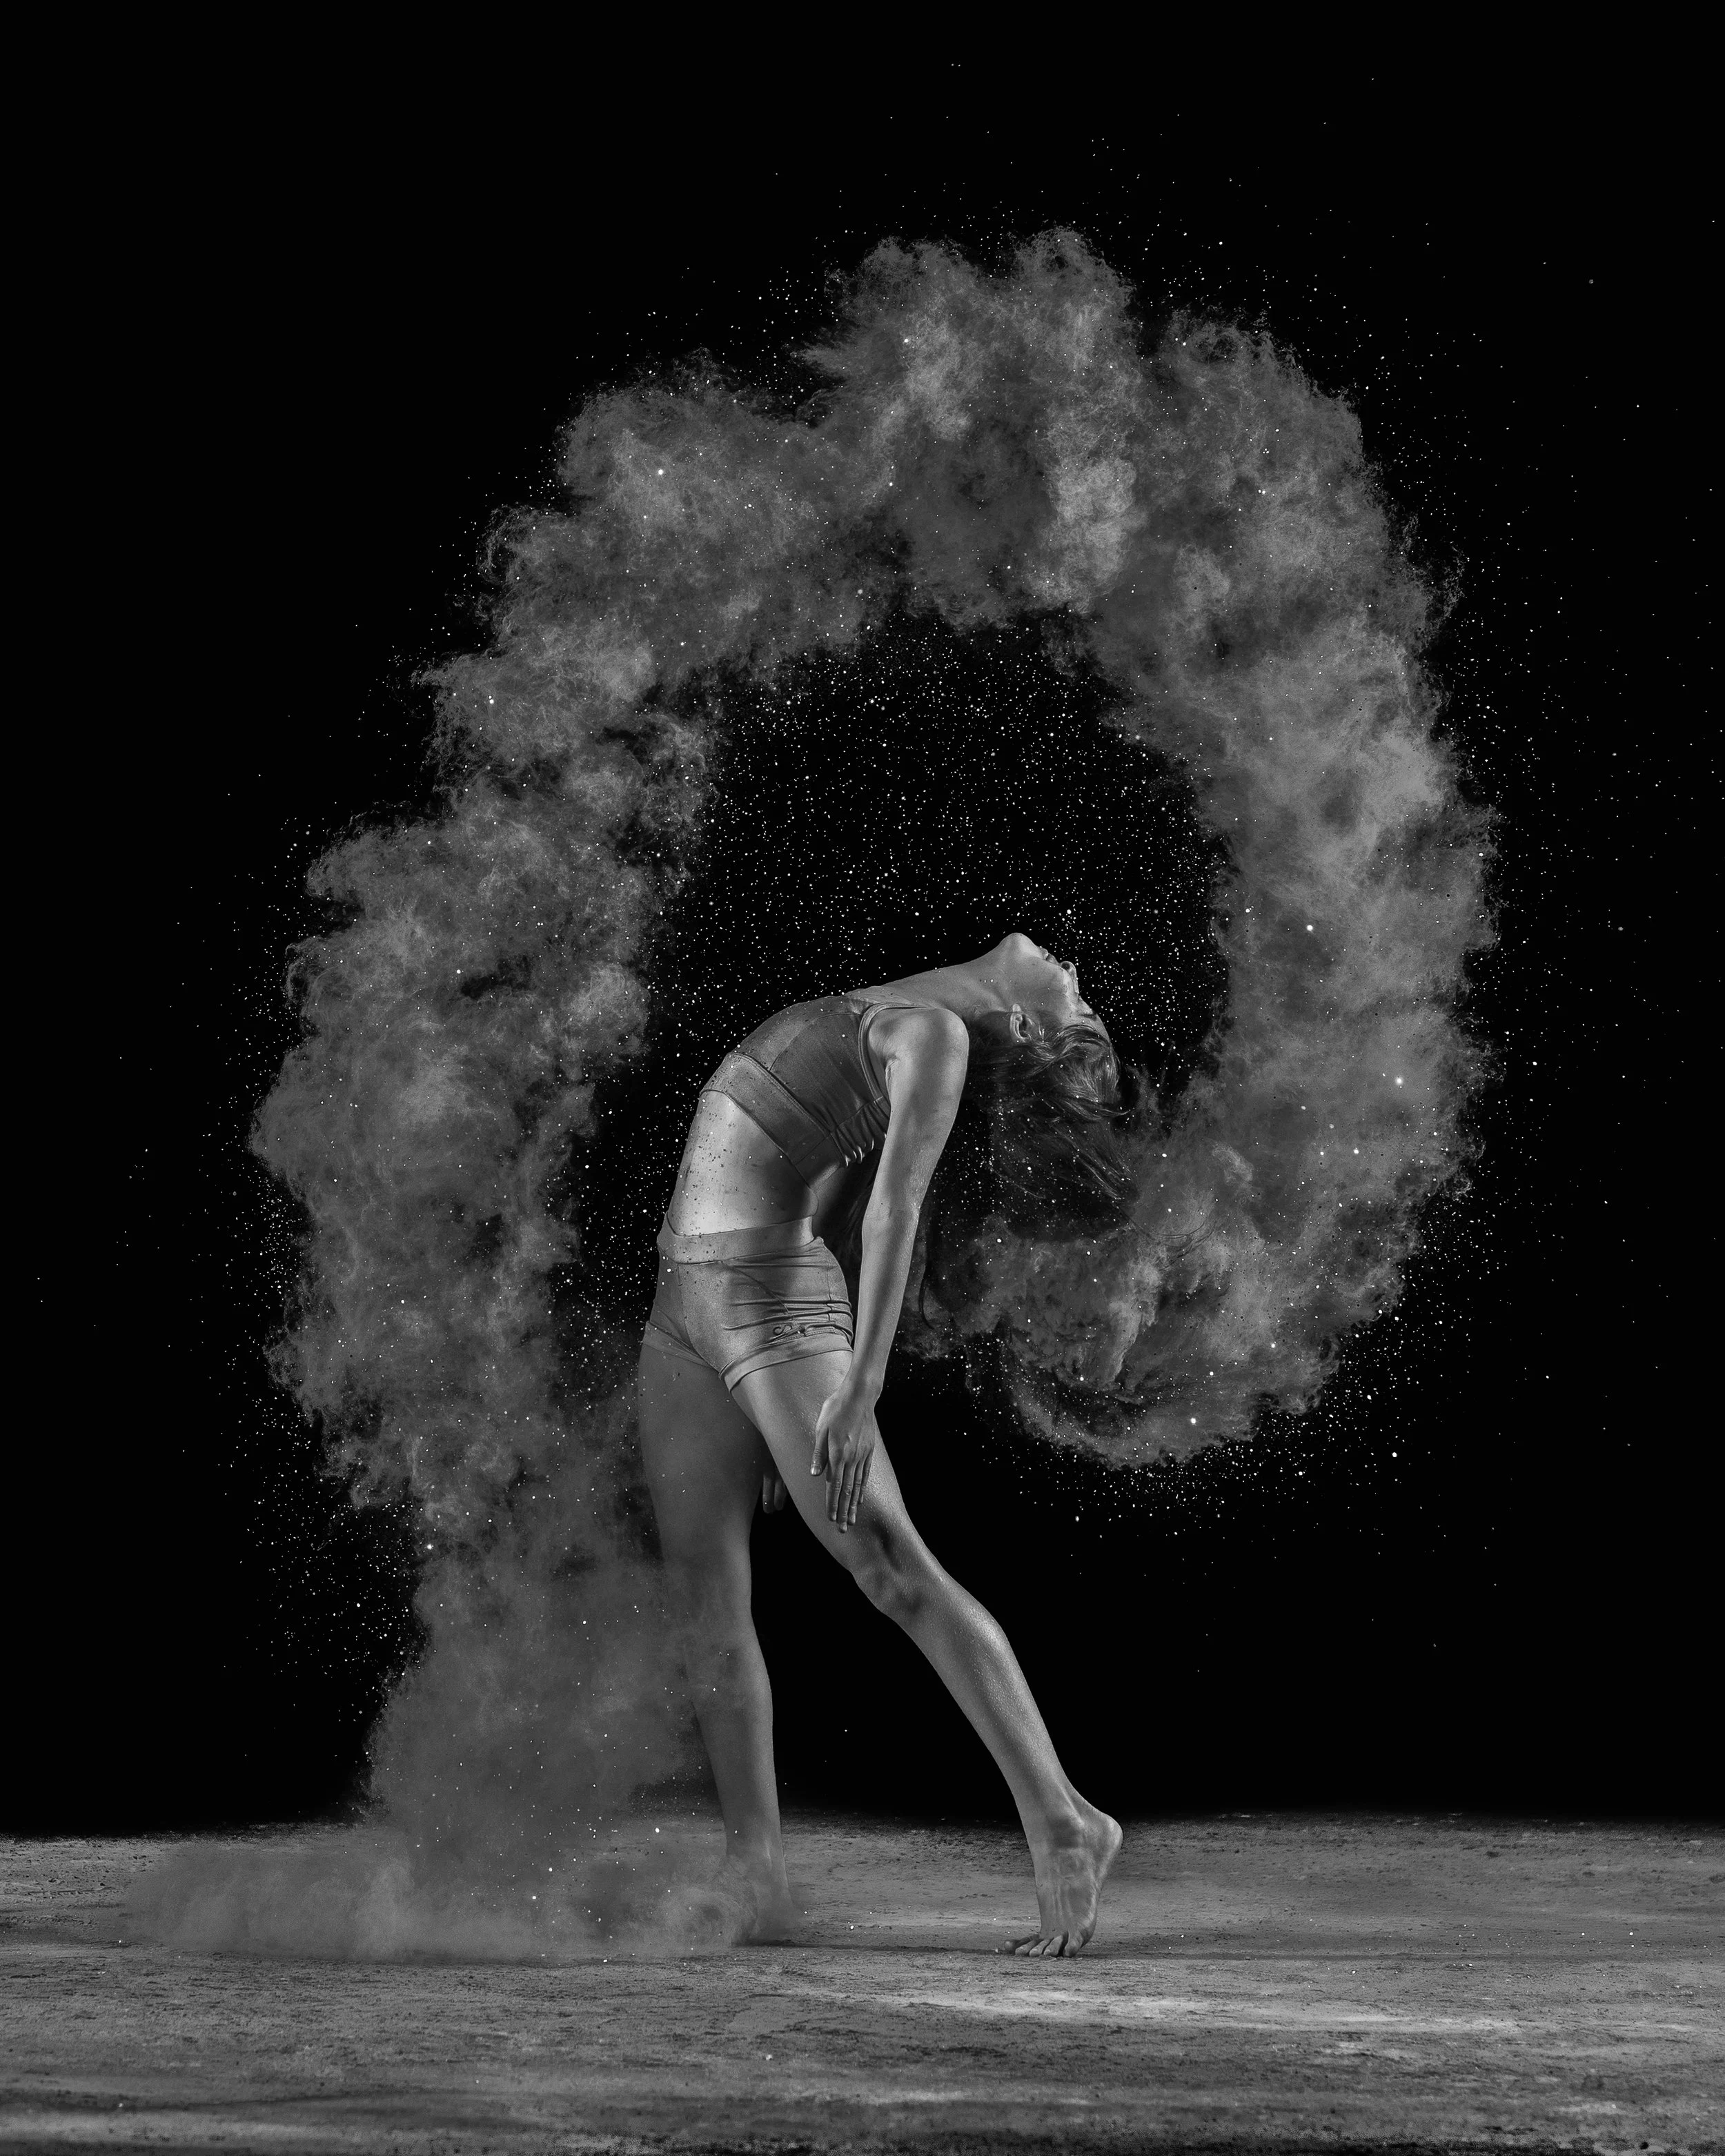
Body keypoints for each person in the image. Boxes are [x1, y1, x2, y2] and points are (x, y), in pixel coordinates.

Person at [638, 933, 1127, 1954]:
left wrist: (856, 1387)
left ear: (1029, 1025)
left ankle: (1065, 1822)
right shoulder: (883, 1011)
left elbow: (895, 1215)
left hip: (774, 1311)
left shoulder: (936, 1035)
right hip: (686, 1305)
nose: (1075, 975)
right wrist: (772, 1409)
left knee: (892, 1571)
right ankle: (756, 1875)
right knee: (704, 1597)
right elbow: (842, 1190)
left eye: (1079, 1004)